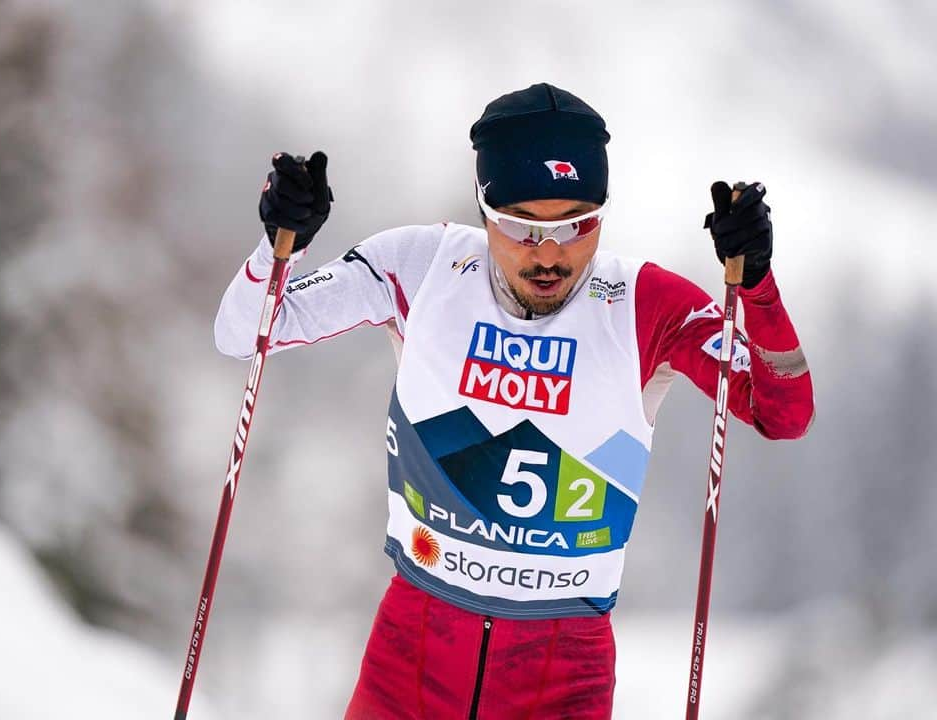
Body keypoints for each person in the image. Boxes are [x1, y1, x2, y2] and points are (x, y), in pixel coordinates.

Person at [213, 83, 814, 720]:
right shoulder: (421, 266)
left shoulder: (644, 303)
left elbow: (783, 412)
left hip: (561, 675)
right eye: (522, 228)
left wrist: (758, 287)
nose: (550, 253)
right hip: (411, 658)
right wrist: (284, 243)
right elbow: (244, 331)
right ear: (485, 211)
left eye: (576, 225)